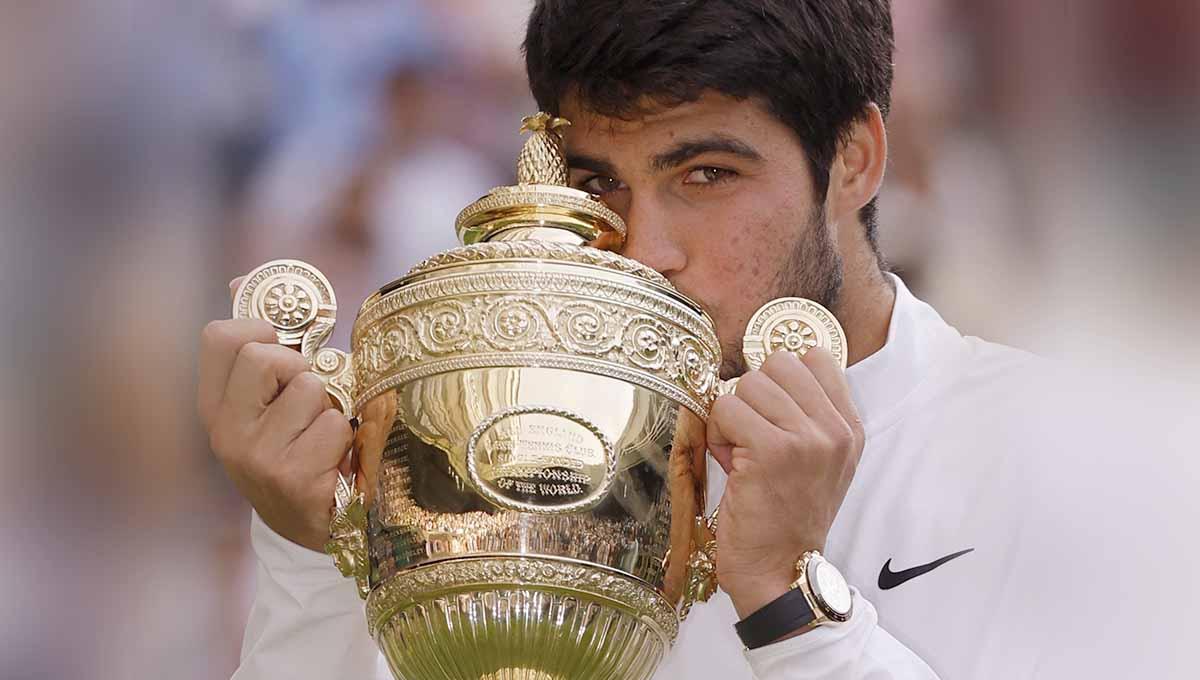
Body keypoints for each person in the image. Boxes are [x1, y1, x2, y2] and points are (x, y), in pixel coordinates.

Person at [197, 1, 1198, 678]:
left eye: (707, 172)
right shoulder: (507, 464)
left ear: (854, 160)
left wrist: (787, 602)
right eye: (598, 185)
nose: (648, 248)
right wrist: (306, 548)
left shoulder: (1079, 454)